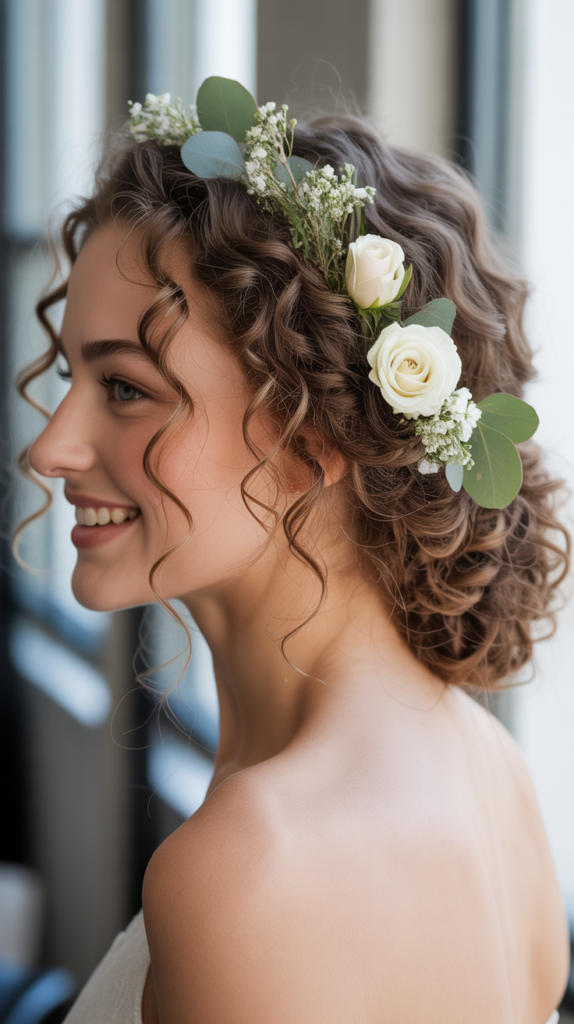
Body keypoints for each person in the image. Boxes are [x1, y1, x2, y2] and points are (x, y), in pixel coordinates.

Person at [20, 82, 570, 1023]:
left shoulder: (252, 866)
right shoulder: (491, 771)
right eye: (72, 376)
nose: (49, 448)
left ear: (313, 441)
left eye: (126, 389)